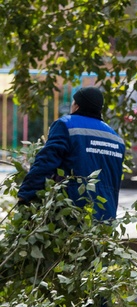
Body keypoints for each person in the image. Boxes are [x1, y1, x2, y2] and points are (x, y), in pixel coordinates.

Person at [17, 86, 125, 221]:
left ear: (77, 106)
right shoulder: (116, 139)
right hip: (105, 216)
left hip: (72, 212)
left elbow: (46, 161)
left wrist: (26, 194)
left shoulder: (66, 125)